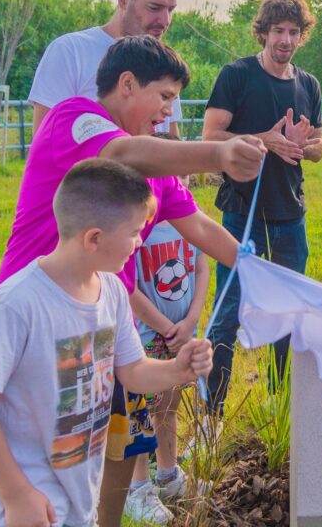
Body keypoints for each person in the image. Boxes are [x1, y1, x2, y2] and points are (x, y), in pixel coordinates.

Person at [0, 35, 264, 527]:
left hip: (102, 316)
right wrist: (219, 153)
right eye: (163, 96)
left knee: (110, 430)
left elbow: (200, 226)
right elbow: (125, 150)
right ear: (126, 84)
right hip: (41, 318)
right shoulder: (74, 118)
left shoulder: (155, 169)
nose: (168, 111)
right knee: (36, 442)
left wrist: (264, 274)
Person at [0, 159, 213, 527]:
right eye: (135, 231)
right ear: (94, 238)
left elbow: (133, 370)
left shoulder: (111, 291)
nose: (140, 241)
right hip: (28, 508)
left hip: (79, 501)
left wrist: (177, 367)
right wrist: (16, 494)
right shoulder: (15, 306)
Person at [202, 0, 322, 415]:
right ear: (263, 32)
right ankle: (212, 413)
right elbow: (211, 137)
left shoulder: (308, 84)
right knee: (229, 308)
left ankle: (281, 403)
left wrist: (300, 146)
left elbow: (320, 146)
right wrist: (263, 140)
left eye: (293, 32)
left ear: (301, 35)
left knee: (290, 309)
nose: (285, 40)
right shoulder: (235, 75)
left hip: (290, 212)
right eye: (278, 30)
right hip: (240, 210)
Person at [124, 167, 209, 524]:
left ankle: (168, 474)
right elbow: (128, 287)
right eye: (170, 176)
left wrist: (189, 322)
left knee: (170, 404)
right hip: (147, 337)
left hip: (182, 332)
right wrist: (166, 328)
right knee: (141, 409)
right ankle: (138, 488)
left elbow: (202, 269)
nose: (179, 183)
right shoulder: (135, 229)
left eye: (183, 176)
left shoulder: (190, 222)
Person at [29, 0, 183, 136]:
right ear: (123, 0)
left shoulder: (164, 61)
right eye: (155, 8)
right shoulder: (69, 51)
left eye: (171, 10)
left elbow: (171, 138)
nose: (165, 21)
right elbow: (45, 141)